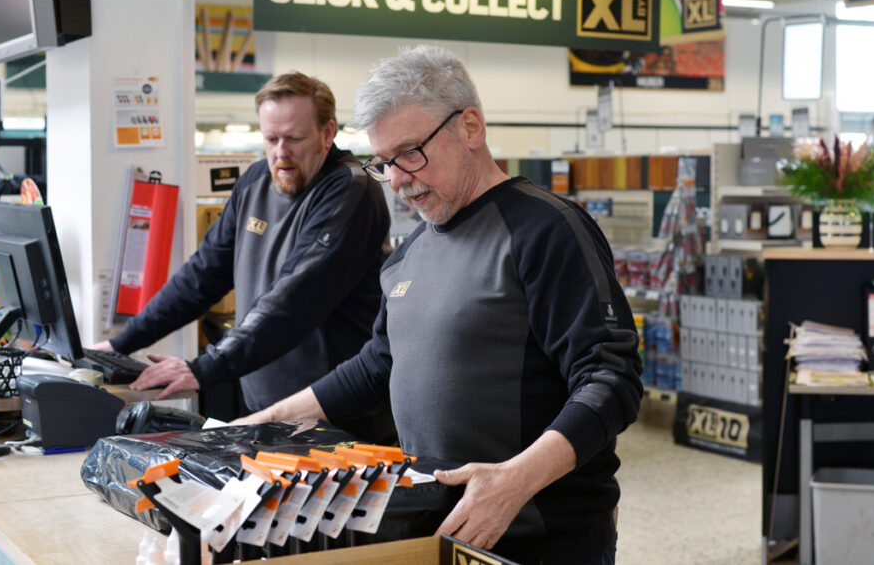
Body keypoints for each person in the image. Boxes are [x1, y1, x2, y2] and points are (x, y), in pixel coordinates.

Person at [237, 47, 642, 564]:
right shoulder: (410, 254)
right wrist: (263, 421)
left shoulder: (545, 229)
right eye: (384, 162)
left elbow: (611, 378)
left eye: (410, 152)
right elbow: (376, 365)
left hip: (542, 535)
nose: (399, 179)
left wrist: (515, 481)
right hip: (441, 530)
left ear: (470, 127)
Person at [94, 71, 394, 441]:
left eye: (294, 138)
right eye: (271, 139)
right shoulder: (254, 181)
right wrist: (120, 344)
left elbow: (295, 298)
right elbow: (203, 275)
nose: (280, 152)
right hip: (265, 410)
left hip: (338, 419)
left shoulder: (350, 190)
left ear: (327, 133)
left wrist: (206, 368)